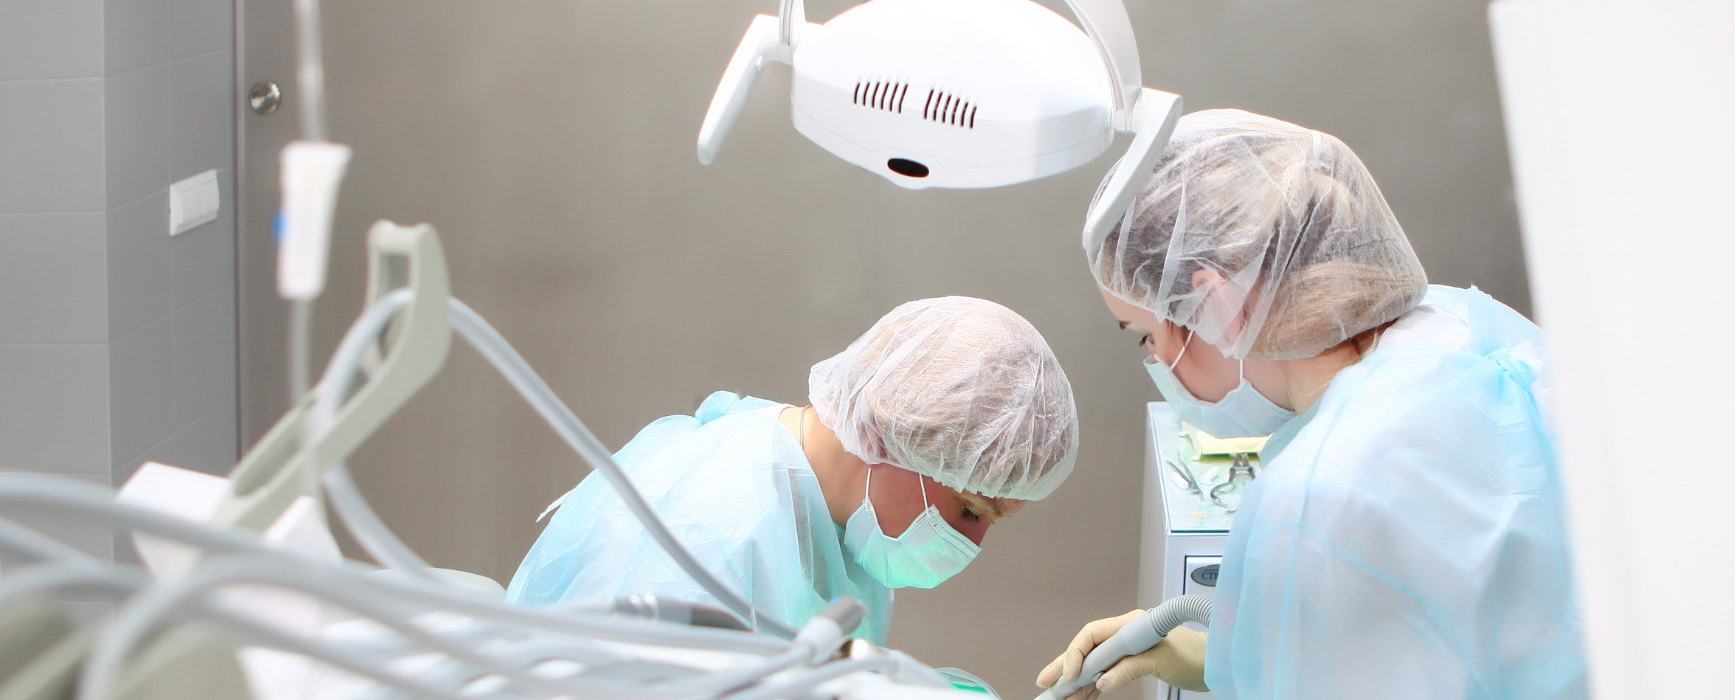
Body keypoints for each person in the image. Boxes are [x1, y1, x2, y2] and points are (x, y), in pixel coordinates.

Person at [1036, 110, 1587, 698]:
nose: (1153, 362)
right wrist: (1198, 650)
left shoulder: (1320, 496)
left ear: (1216, 304)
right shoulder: (1466, 327)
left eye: (1145, 336)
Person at [507, 296, 1079, 644]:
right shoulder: (711, 535)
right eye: (971, 510)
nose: (972, 542)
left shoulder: (830, 518)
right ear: (885, 438)